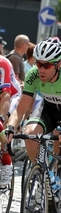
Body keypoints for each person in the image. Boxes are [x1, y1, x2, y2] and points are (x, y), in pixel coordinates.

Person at [1, 37, 61, 213]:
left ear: (57, 65)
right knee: (30, 135)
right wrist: (10, 127)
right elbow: (20, 111)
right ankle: (48, 175)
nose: (41, 69)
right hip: (48, 112)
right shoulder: (33, 75)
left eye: (46, 65)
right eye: (38, 63)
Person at [0, 55, 22, 186]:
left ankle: (6, 161)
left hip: (11, 95)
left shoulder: (3, 63)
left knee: (3, 125)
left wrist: (1, 118)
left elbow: (6, 95)